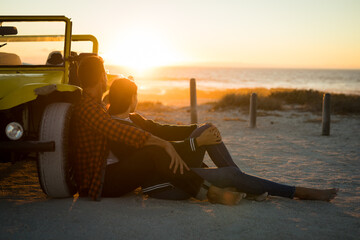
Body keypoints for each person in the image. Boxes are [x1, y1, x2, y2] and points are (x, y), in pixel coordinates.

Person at [106, 77, 339, 204]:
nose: (138, 99)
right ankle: (297, 192)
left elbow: (162, 130)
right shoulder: (115, 128)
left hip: (178, 164)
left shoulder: (134, 117)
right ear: (130, 97)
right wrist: (196, 143)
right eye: (136, 95)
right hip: (162, 182)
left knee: (206, 129)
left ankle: (242, 183)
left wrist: (197, 129)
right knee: (229, 175)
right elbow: (151, 157)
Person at [72, 56, 193, 201]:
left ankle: (199, 183)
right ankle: (205, 188)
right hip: (101, 182)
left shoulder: (97, 105)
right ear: (101, 77)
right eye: (105, 73)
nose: (106, 77)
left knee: (154, 151)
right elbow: (119, 131)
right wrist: (164, 143)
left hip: (107, 174)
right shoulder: (88, 108)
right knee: (152, 152)